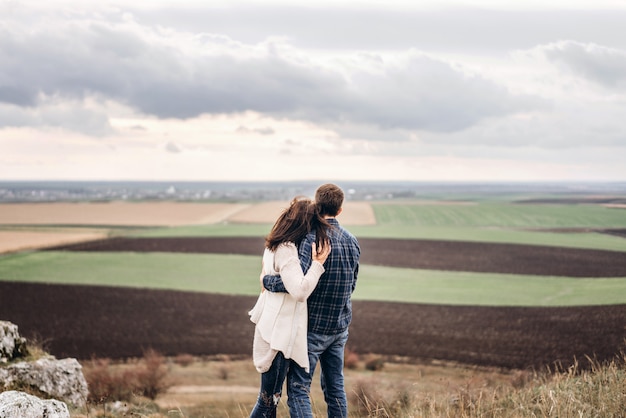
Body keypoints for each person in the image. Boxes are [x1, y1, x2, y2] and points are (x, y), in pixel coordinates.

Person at [264, 184, 361, 418]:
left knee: (298, 390)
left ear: (317, 206)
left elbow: (299, 284)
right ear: (340, 210)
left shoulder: (311, 240)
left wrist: (269, 281)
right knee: (336, 388)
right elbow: (353, 284)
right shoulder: (352, 240)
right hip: (339, 327)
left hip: (312, 328)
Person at [248, 197, 332, 418]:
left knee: (269, 400)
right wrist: (318, 264)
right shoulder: (287, 249)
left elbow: (271, 280)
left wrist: (267, 282)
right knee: (268, 400)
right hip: (278, 336)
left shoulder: (273, 245)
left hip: (272, 328)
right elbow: (300, 291)